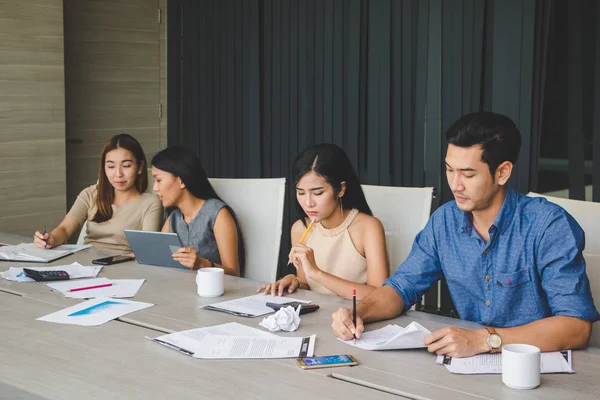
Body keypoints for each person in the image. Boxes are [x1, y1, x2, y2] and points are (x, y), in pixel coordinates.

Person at [332, 111, 600, 356]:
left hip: (539, 369)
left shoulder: (547, 225)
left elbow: (576, 327)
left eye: (468, 175)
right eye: (449, 170)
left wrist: (485, 340)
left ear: (503, 172)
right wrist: (360, 313)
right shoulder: (445, 221)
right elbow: (401, 288)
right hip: (468, 365)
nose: (455, 185)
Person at [258, 143, 389, 300]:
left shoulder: (368, 227)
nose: (308, 203)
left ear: (341, 189)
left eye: (318, 193)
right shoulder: (300, 228)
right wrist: (295, 281)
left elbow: (380, 296)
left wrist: (316, 273)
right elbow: (307, 286)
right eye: (300, 192)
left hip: (354, 319)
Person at [34, 134, 163, 254]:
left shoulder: (150, 203)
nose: (118, 174)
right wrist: (51, 238)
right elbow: (65, 229)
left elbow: (147, 250)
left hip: (123, 267)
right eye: (111, 167)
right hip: (85, 265)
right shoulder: (90, 194)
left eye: (126, 166)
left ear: (140, 167)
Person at [151, 146, 244, 276]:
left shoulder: (218, 214)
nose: (155, 188)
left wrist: (202, 264)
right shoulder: (173, 218)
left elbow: (234, 274)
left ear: (182, 180)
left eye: (159, 180)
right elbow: (158, 260)